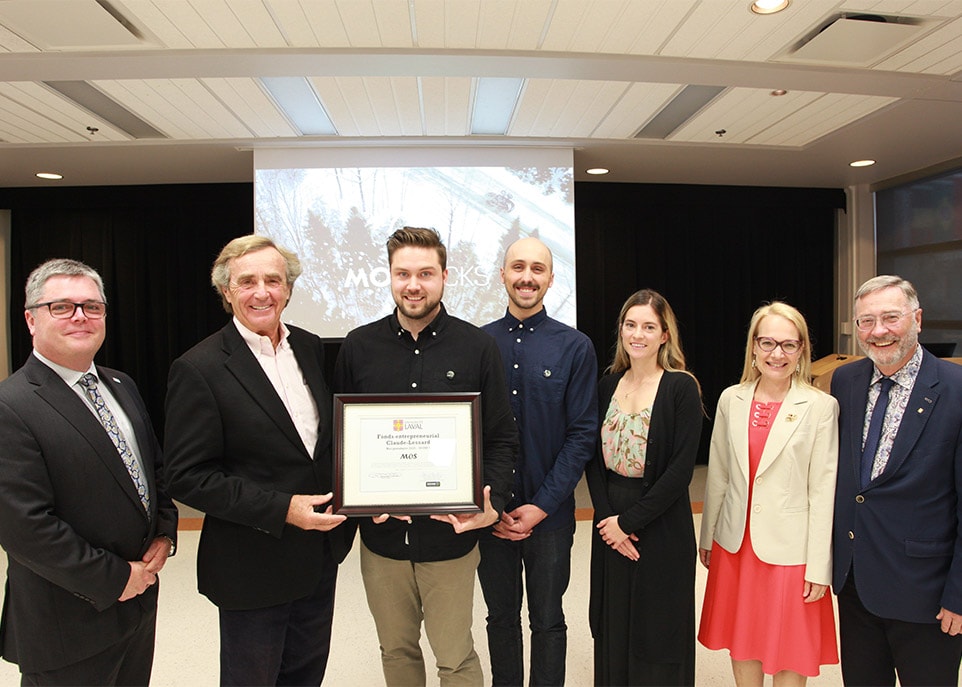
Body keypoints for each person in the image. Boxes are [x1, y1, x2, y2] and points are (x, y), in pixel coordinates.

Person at [163, 235, 354, 686]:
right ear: (226, 292)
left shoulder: (308, 347)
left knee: (305, 676)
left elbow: (318, 447)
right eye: (246, 282)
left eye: (273, 279)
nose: (262, 291)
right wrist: (283, 509)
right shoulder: (200, 368)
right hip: (251, 565)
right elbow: (186, 477)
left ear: (288, 288)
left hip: (317, 558)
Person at [333, 226, 517, 686]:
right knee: (395, 652)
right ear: (390, 277)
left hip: (450, 541)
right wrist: (356, 496)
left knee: (455, 657)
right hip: (382, 544)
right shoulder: (358, 346)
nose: (413, 284)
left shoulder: (477, 346)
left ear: (444, 276)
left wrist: (488, 503)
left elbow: (501, 439)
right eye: (402, 274)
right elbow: (341, 442)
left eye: (425, 274)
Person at [0, 258, 178, 686]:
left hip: (137, 607)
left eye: (92, 306)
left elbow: (153, 471)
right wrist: (117, 578)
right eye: (61, 307)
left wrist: (164, 533)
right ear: (30, 319)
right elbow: (23, 526)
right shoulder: (11, 405)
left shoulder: (121, 385)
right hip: (67, 620)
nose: (80, 316)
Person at [698, 302, 839, 686]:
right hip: (736, 544)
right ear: (754, 348)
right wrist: (708, 534)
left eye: (789, 345)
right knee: (742, 640)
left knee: (791, 646)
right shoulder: (731, 398)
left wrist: (818, 564)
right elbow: (720, 473)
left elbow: (823, 489)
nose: (777, 354)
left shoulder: (821, 407)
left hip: (791, 550)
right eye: (768, 343)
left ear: (803, 351)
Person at [478, 237, 598, 686]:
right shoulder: (478, 343)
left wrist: (543, 505)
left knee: (548, 620)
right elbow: (469, 435)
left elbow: (582, 434)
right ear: (503, 274)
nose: (527, 277)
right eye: (517, 267)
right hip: (489, 513)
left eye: (537, 269)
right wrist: (487, 502)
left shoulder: (575, 347)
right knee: (499, 618)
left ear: (551, 277)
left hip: (550, 516)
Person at [832, 275, 962, 686]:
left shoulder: (956, 389)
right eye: (866, 321)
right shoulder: (845, 382)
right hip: (856, 587)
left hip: (928, 595)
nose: (879, 331)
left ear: (918, 319)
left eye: (891, 317)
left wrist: (960, 595)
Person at [585, 288, 701, 686]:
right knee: (613, 625)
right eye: (631, 325)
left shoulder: (681, 388)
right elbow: (592, 461)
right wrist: (608, 524)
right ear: (621, 330)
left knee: (659, 630)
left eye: (649, 326)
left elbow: (680, 470)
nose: (639, 334)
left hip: (661, 522)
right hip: (609, 520)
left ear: (664, 335)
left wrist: (629, 521)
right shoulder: (606, 386)